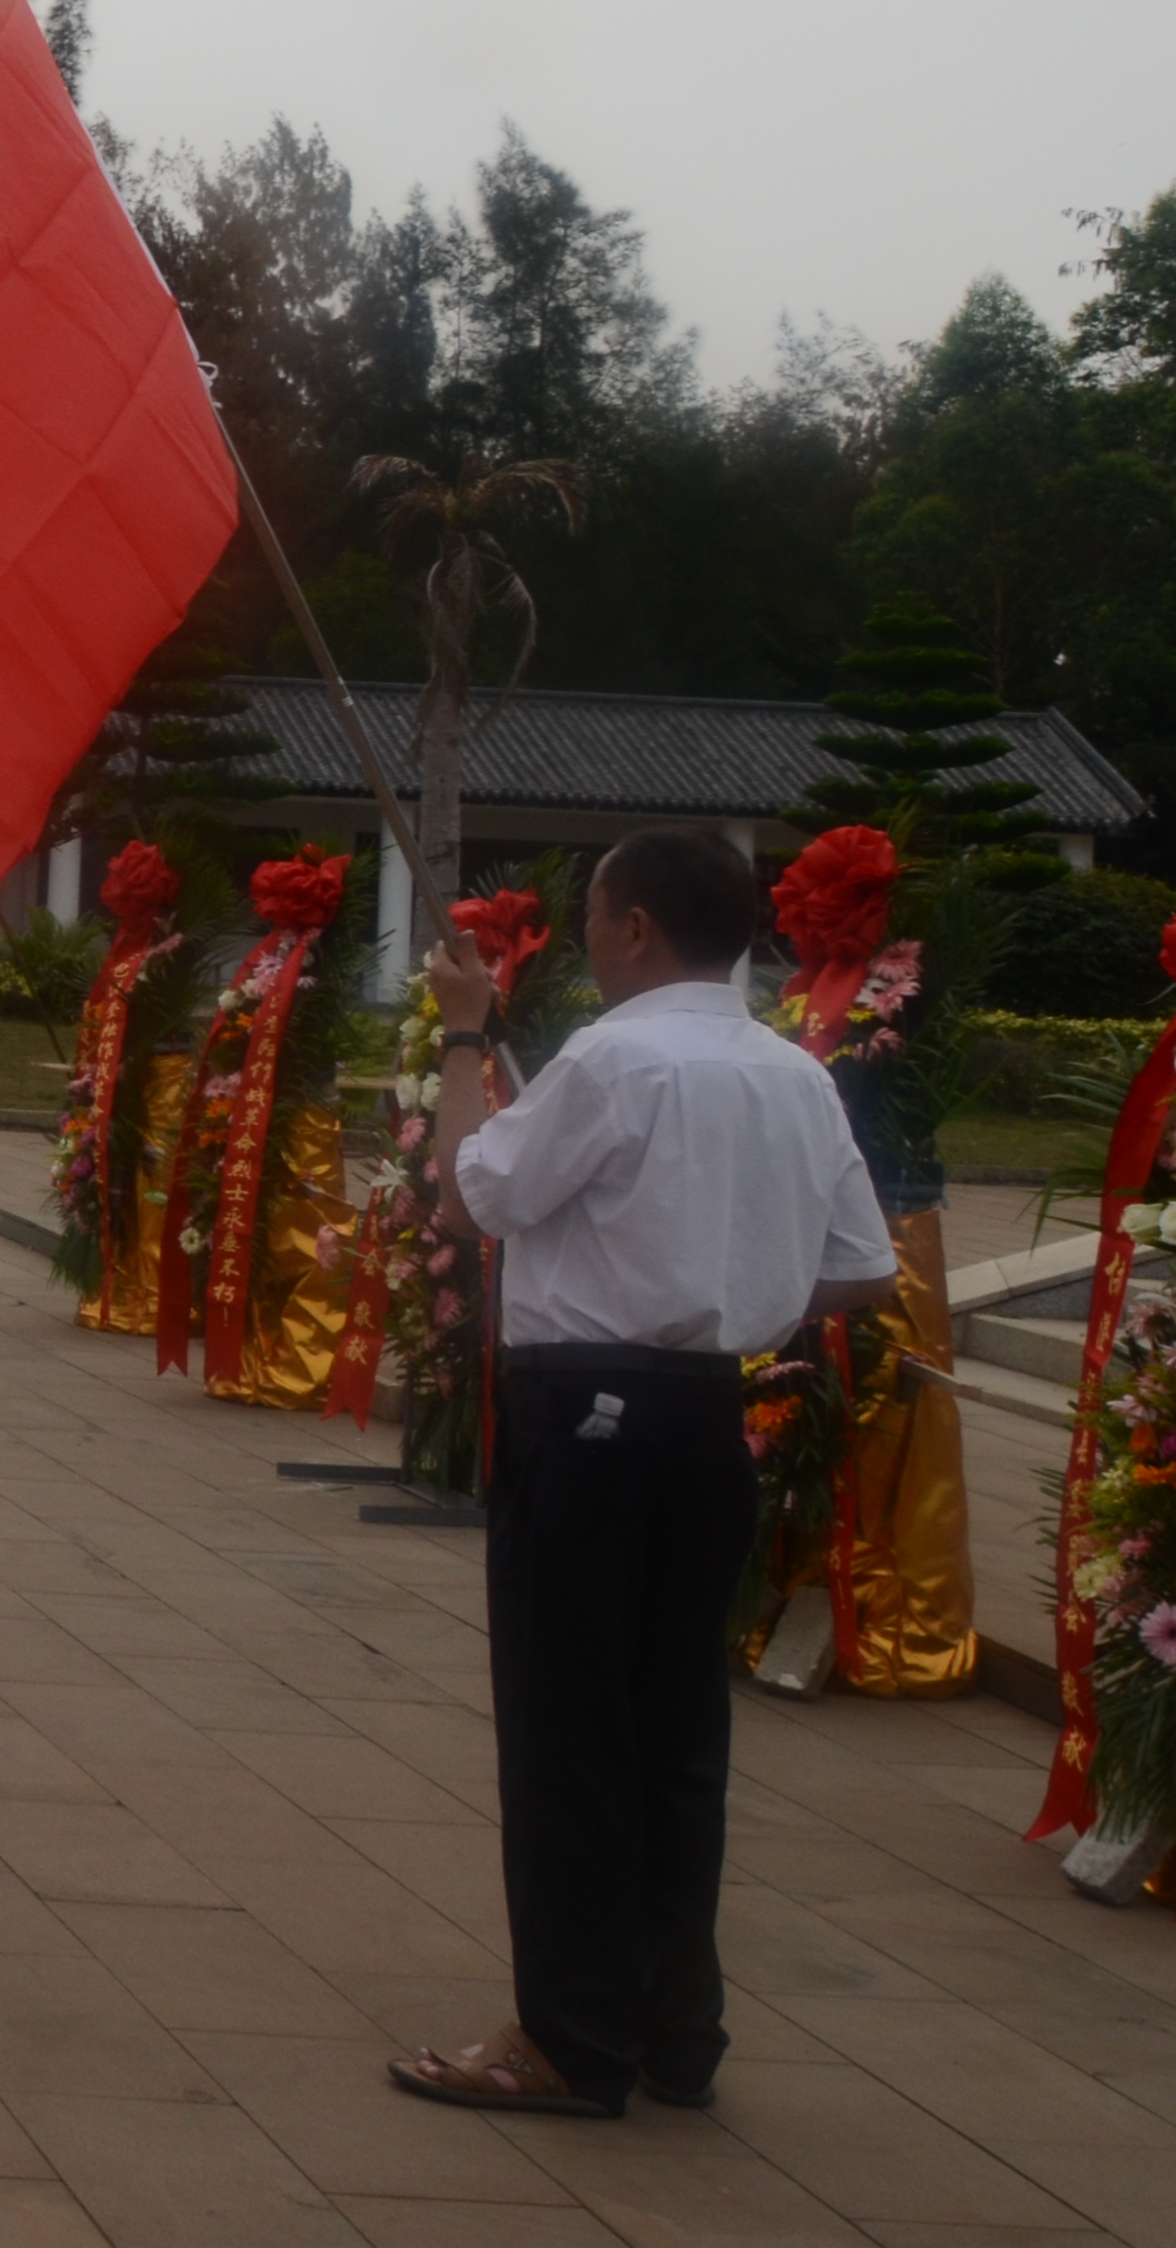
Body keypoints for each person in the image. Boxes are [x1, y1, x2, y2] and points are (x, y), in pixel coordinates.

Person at [390, 825, 899, 2121]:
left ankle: (569, 2036)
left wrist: (463, 1033)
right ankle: (675, 2026)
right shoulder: (791, 1072)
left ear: (633, 930)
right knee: (677, 1734)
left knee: (572, 1736)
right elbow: (863, 1266)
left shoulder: (616, 1056)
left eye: (595, 913)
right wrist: (733, 1292)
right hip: (703, 1422)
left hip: (589, 1422)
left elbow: (467, 1198)